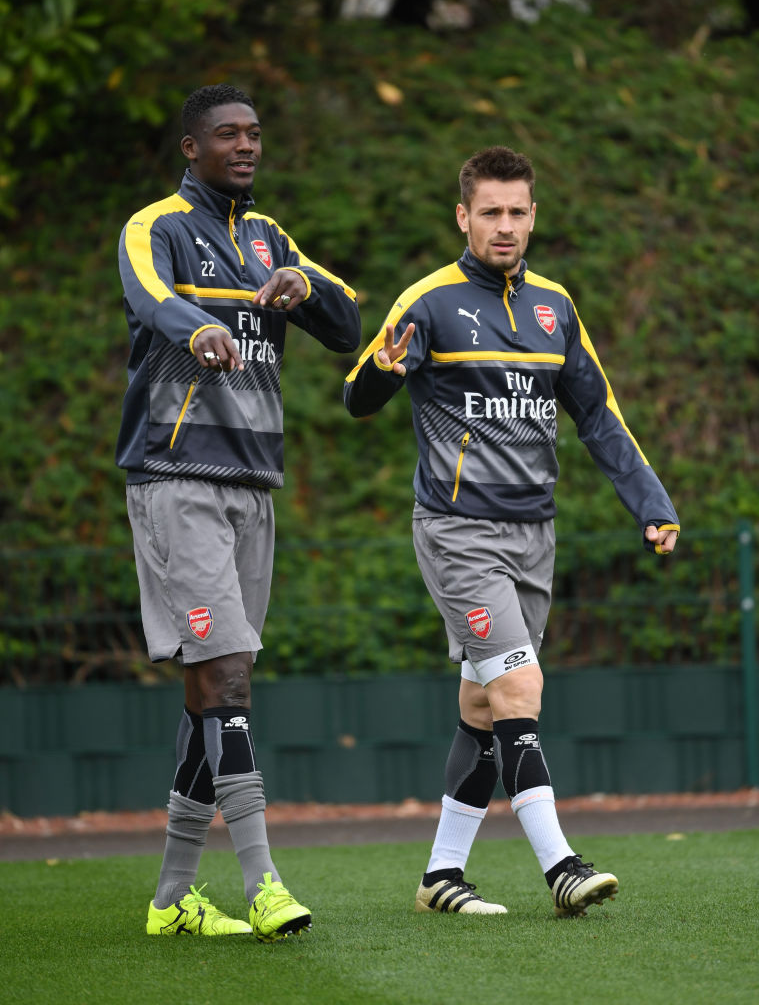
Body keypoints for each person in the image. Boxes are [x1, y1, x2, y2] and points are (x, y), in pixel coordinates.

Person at [344, 146, 678, 918]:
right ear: (462, 216)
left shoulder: (554, 306)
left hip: (534, 535)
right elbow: (357, 398)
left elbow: (597, 415)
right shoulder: (428, 301)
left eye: (516, 212)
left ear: (532, 217)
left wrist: (650, 504)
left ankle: (440, 876)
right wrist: (382, 373)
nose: (504, 225)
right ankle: (560, 865)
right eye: (489, 211)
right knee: (520, 688)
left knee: (483, 707)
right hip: (458, 533)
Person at [117, 83, 361, 940]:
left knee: (209, 691)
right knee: (226, 679)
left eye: (254, 133)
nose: (246, 146)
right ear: (192, 148)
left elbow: (348, 323)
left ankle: (171, 900)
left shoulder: (269, 238)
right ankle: (263, 883)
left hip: (253, 482)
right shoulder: (156, 226)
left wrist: (303, 285)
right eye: (227, 134)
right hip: (176, 475)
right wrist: (197, 328)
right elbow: (149, 297)